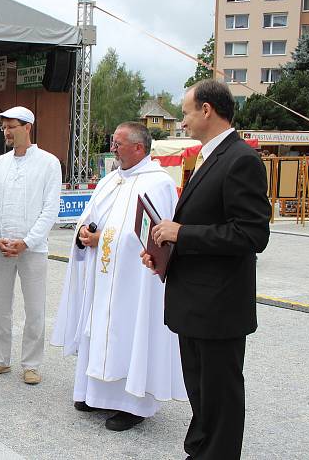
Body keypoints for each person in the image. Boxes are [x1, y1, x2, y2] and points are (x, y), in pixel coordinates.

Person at [143, 80, 271, 459]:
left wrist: (182, 233)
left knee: (220, 392)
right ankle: (200, 449)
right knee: (200, 389)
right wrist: (165, 252)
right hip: (196, 299)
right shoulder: (209, 156)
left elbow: (250, 234)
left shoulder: (240, 158)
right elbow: (206, 223)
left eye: (184, 111)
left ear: (206, 110)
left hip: (219, 305)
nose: (181, 120)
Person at [51, 121, 187, 432]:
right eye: (114, 142)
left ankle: (133, 404)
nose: (113, 148)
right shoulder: (110, 180)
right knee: (98, 329)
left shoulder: (157, 183)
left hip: (134, 280)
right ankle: (94, 394)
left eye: (119, 143)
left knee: (130, 332)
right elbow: (91, 217)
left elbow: (155, 235)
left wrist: (105, 239)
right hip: (102, 277)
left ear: (139, 148)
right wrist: (84, 233)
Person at [0, 106, 61, 385]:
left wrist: (28, 241)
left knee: (35, 308)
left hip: (33, 249)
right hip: (1, 246)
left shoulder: (49, 163)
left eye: (11, 126)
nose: (6, 132)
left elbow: (51, 209)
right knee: (0, 307)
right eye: (4, 127)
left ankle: (31, 364)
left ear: (27, 127)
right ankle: (0, 360)